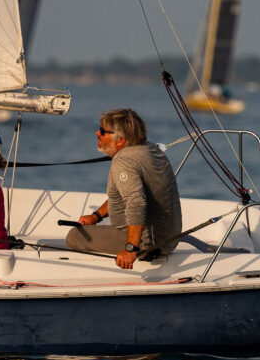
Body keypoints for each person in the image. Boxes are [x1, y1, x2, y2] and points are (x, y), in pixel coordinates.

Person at [66, 108, 182, 269]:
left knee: (75, 237)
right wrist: (96, 216)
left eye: (102, 131)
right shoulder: (151, 149)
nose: (97, 133)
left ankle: (135, 247)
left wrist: (130, 249)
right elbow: (126, 193)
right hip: (169, 237)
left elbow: (136, 203)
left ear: (120, 140)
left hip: (149, 243)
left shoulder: (123, 161)